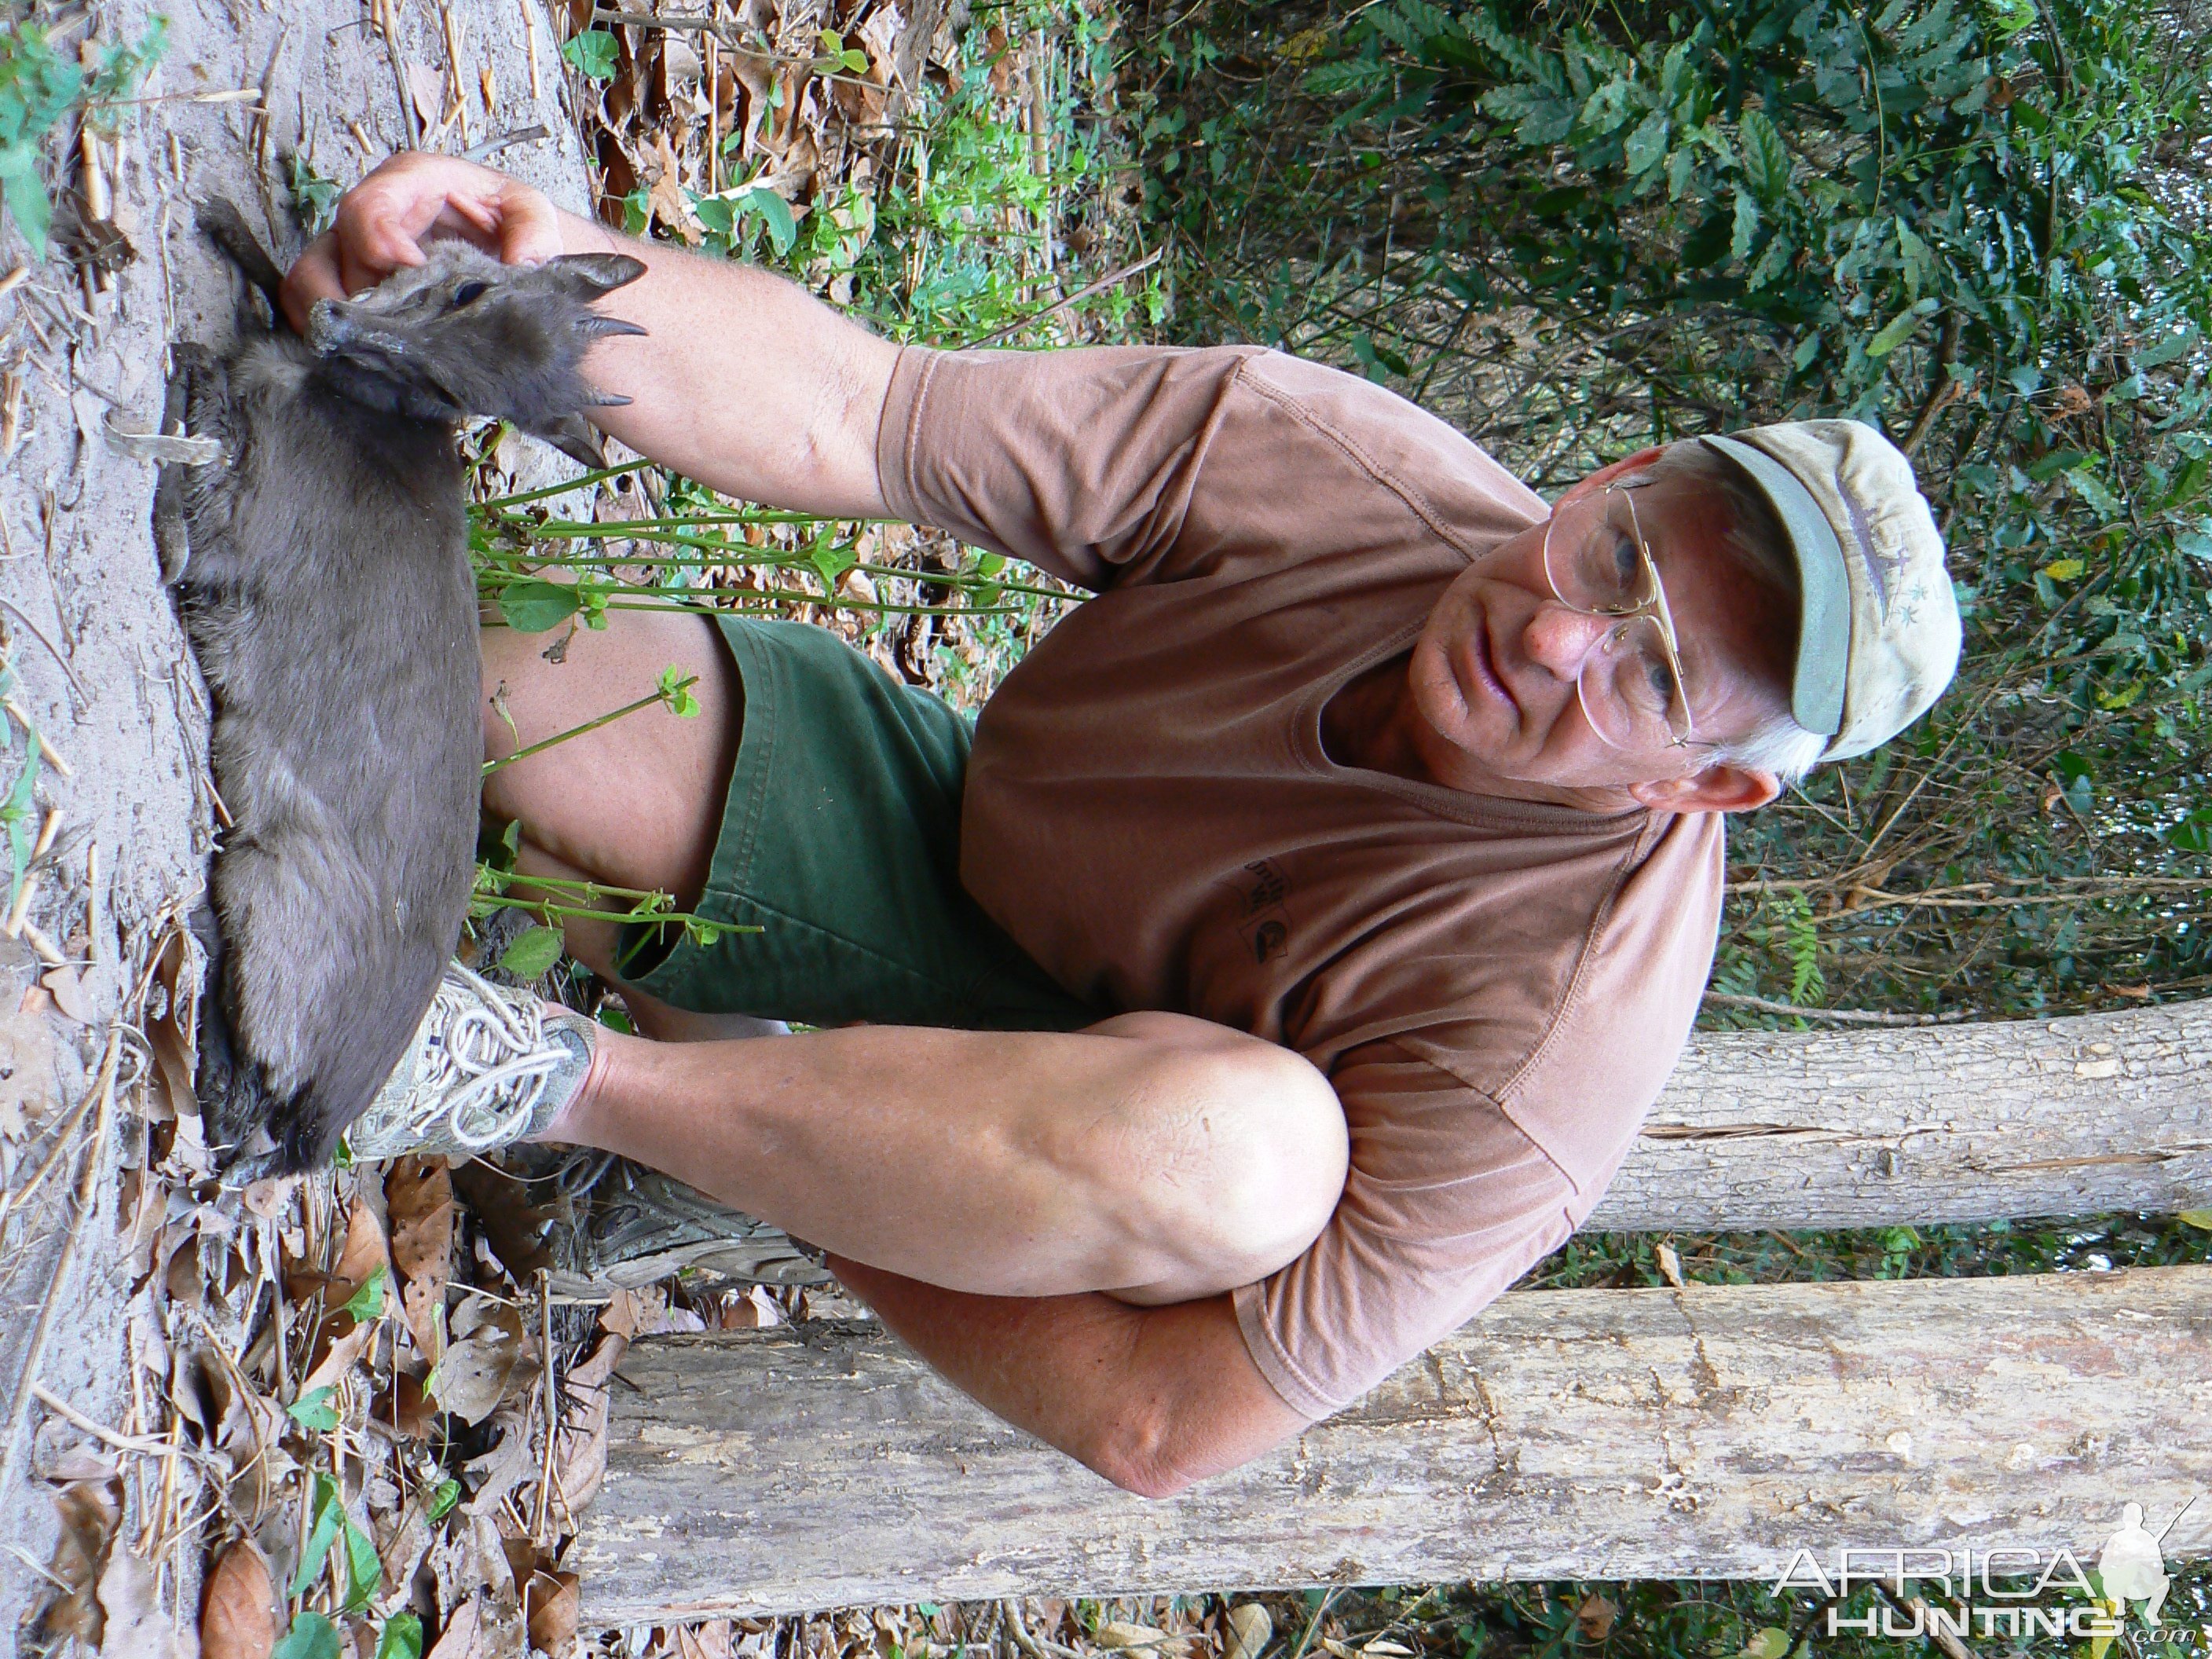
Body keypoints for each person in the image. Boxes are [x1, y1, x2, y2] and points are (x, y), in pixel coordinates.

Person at [280, 152, 1961, 1497]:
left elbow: (1161, 1423)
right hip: (948, 847)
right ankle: (746, 1098)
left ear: (1709, 789)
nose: (1554, 638)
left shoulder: (1552, 1044)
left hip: (1094, 1144)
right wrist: (530, 281)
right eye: (1619, 560)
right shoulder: (1325, 468)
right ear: (1618, 474)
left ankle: (588, 1097)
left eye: (1653, 679)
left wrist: (837, 1183)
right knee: (526, 707)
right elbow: (866, 410)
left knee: (1250, 1158)